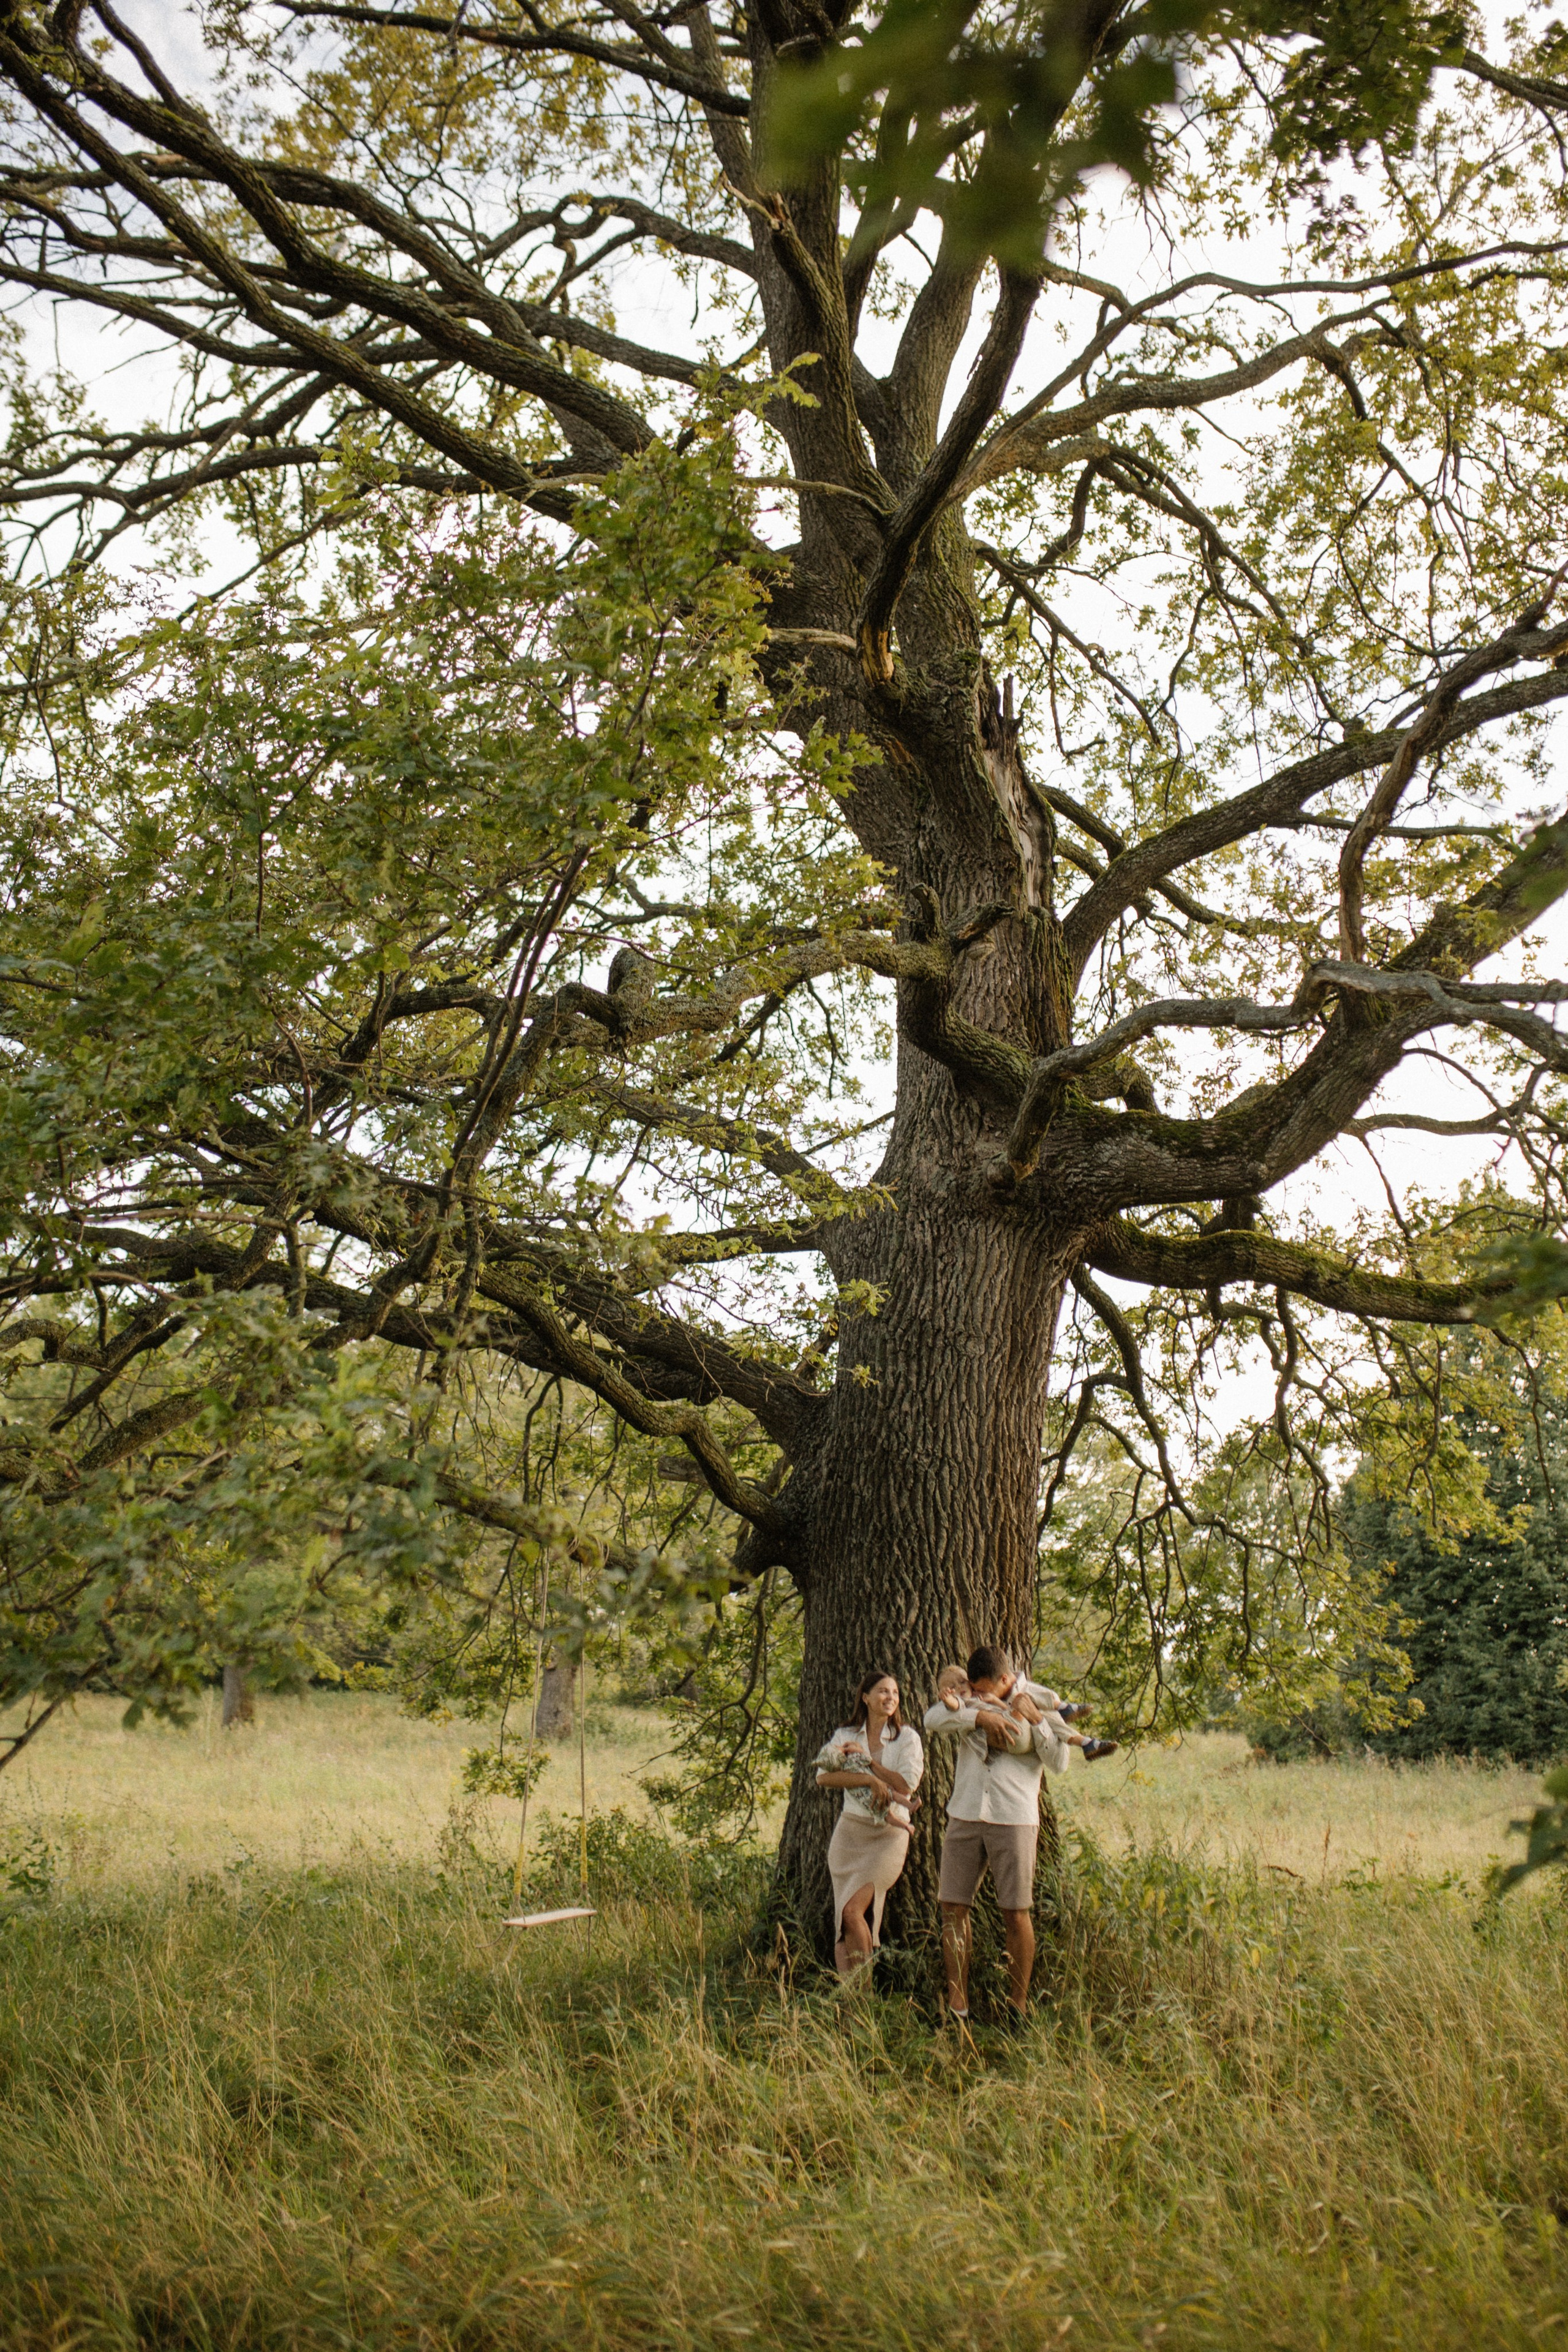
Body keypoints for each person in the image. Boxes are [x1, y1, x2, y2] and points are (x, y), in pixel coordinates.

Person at [924, 1644, 1068, 2029]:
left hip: (1014, 1817)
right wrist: (980, 1718)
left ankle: (1016, 2009)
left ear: (1006, 1679)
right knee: (952, 1908)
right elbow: (933, 1719)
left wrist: (1036, 1723)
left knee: (1016, 1912)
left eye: (989, 1689)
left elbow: (1060, 1762)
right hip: (966, 1812)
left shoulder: (1037, 1699)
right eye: (976, 1688)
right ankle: (958, 2009)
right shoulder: (971, 1700)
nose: (982, 1694)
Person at [814, 1668, 924, 1979]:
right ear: (866, 1697)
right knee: (845, 1919)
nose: (891, 1698)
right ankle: (853, 2003)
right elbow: (823, 1776)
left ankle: (864, 1998)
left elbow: (906, 1786)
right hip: (849, 1834)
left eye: (895, 1693)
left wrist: (872, 1765)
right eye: (883, 1692)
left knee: (853, 1912)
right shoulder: (846, 1736)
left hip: (889, 1835)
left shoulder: (907, 1739)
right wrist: (865, 1780)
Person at [935, 1663, 1119, 1762]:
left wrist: (996, 1701)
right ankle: (1061, 1708)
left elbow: (1007, 1710)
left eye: (962, 1682)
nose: (959, 1688)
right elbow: (950, 1708)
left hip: (1015, 1724)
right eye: (952, 1687)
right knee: (1026, 1701)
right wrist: (948, 1698)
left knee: (1035, 1708)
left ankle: (1086, 1743)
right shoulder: (962, 1702)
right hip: (1010, 1736)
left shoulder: (981, 1696)